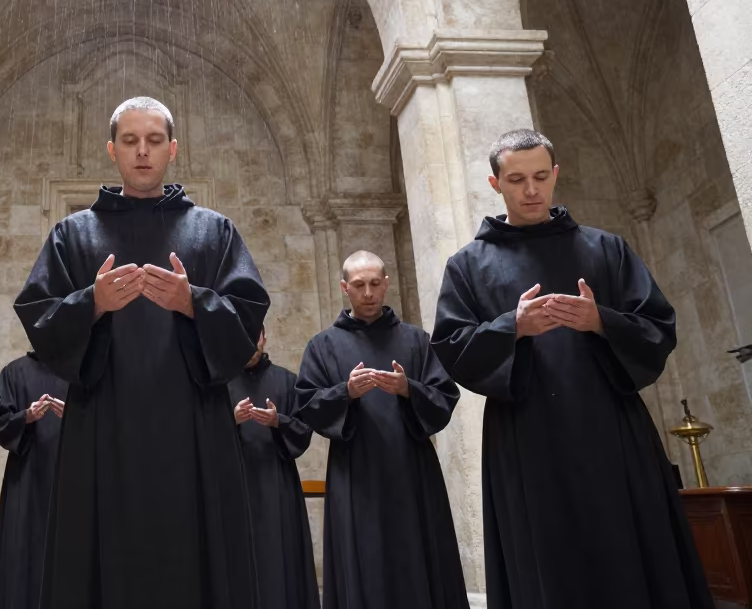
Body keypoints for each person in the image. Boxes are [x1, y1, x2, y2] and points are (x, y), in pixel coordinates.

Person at [431, 129, 712, 609]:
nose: (532, 190)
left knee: (631, 550)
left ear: (556, 174)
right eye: (517, 179)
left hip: (612, 429)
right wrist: (511, 328)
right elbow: (452, 348)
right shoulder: (467, 266)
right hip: (526, 437)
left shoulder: (607, 249)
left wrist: (601, 319)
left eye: (541, 176)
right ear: (496, 184)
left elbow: (659, 327)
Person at [14, 96, 270, 609]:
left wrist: (193, 302)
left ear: (173, 149)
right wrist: (93, 302)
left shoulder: (213, 231)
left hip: (193, 425)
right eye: (130, 141)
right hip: (102, 422)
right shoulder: (73, 233)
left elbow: (250, 314)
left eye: (154, 141)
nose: (143, 152)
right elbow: (37, 316)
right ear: (112, 150)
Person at [296, 250, 467, 609]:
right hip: (355, 474)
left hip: (412, 471)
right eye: (359, 285)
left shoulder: (417, 341)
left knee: (419, 552)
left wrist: (409, 389)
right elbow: (307, 406)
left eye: (375, 283)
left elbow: (446, 396)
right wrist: (346, 392)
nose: (369, 293)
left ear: (386, 283)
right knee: (364, 560)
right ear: (345, 288)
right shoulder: (322, 346)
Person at [229, 329, 320, 609]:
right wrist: (230, 421)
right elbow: (200, 436)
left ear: (264, 338)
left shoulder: (287, 381)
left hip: (277, 483)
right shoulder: (219, 384)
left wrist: (278, 421)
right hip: (236, 487)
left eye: (254, 336)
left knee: (282, 557)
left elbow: (304, 431)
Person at [0, 352, 68, 609]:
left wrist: (77, 420)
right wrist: (25, 417)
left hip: (73, 479)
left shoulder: (82, 368)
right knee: (22, 555)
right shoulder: (14, 372)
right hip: (26, 476)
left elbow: (109, 419)